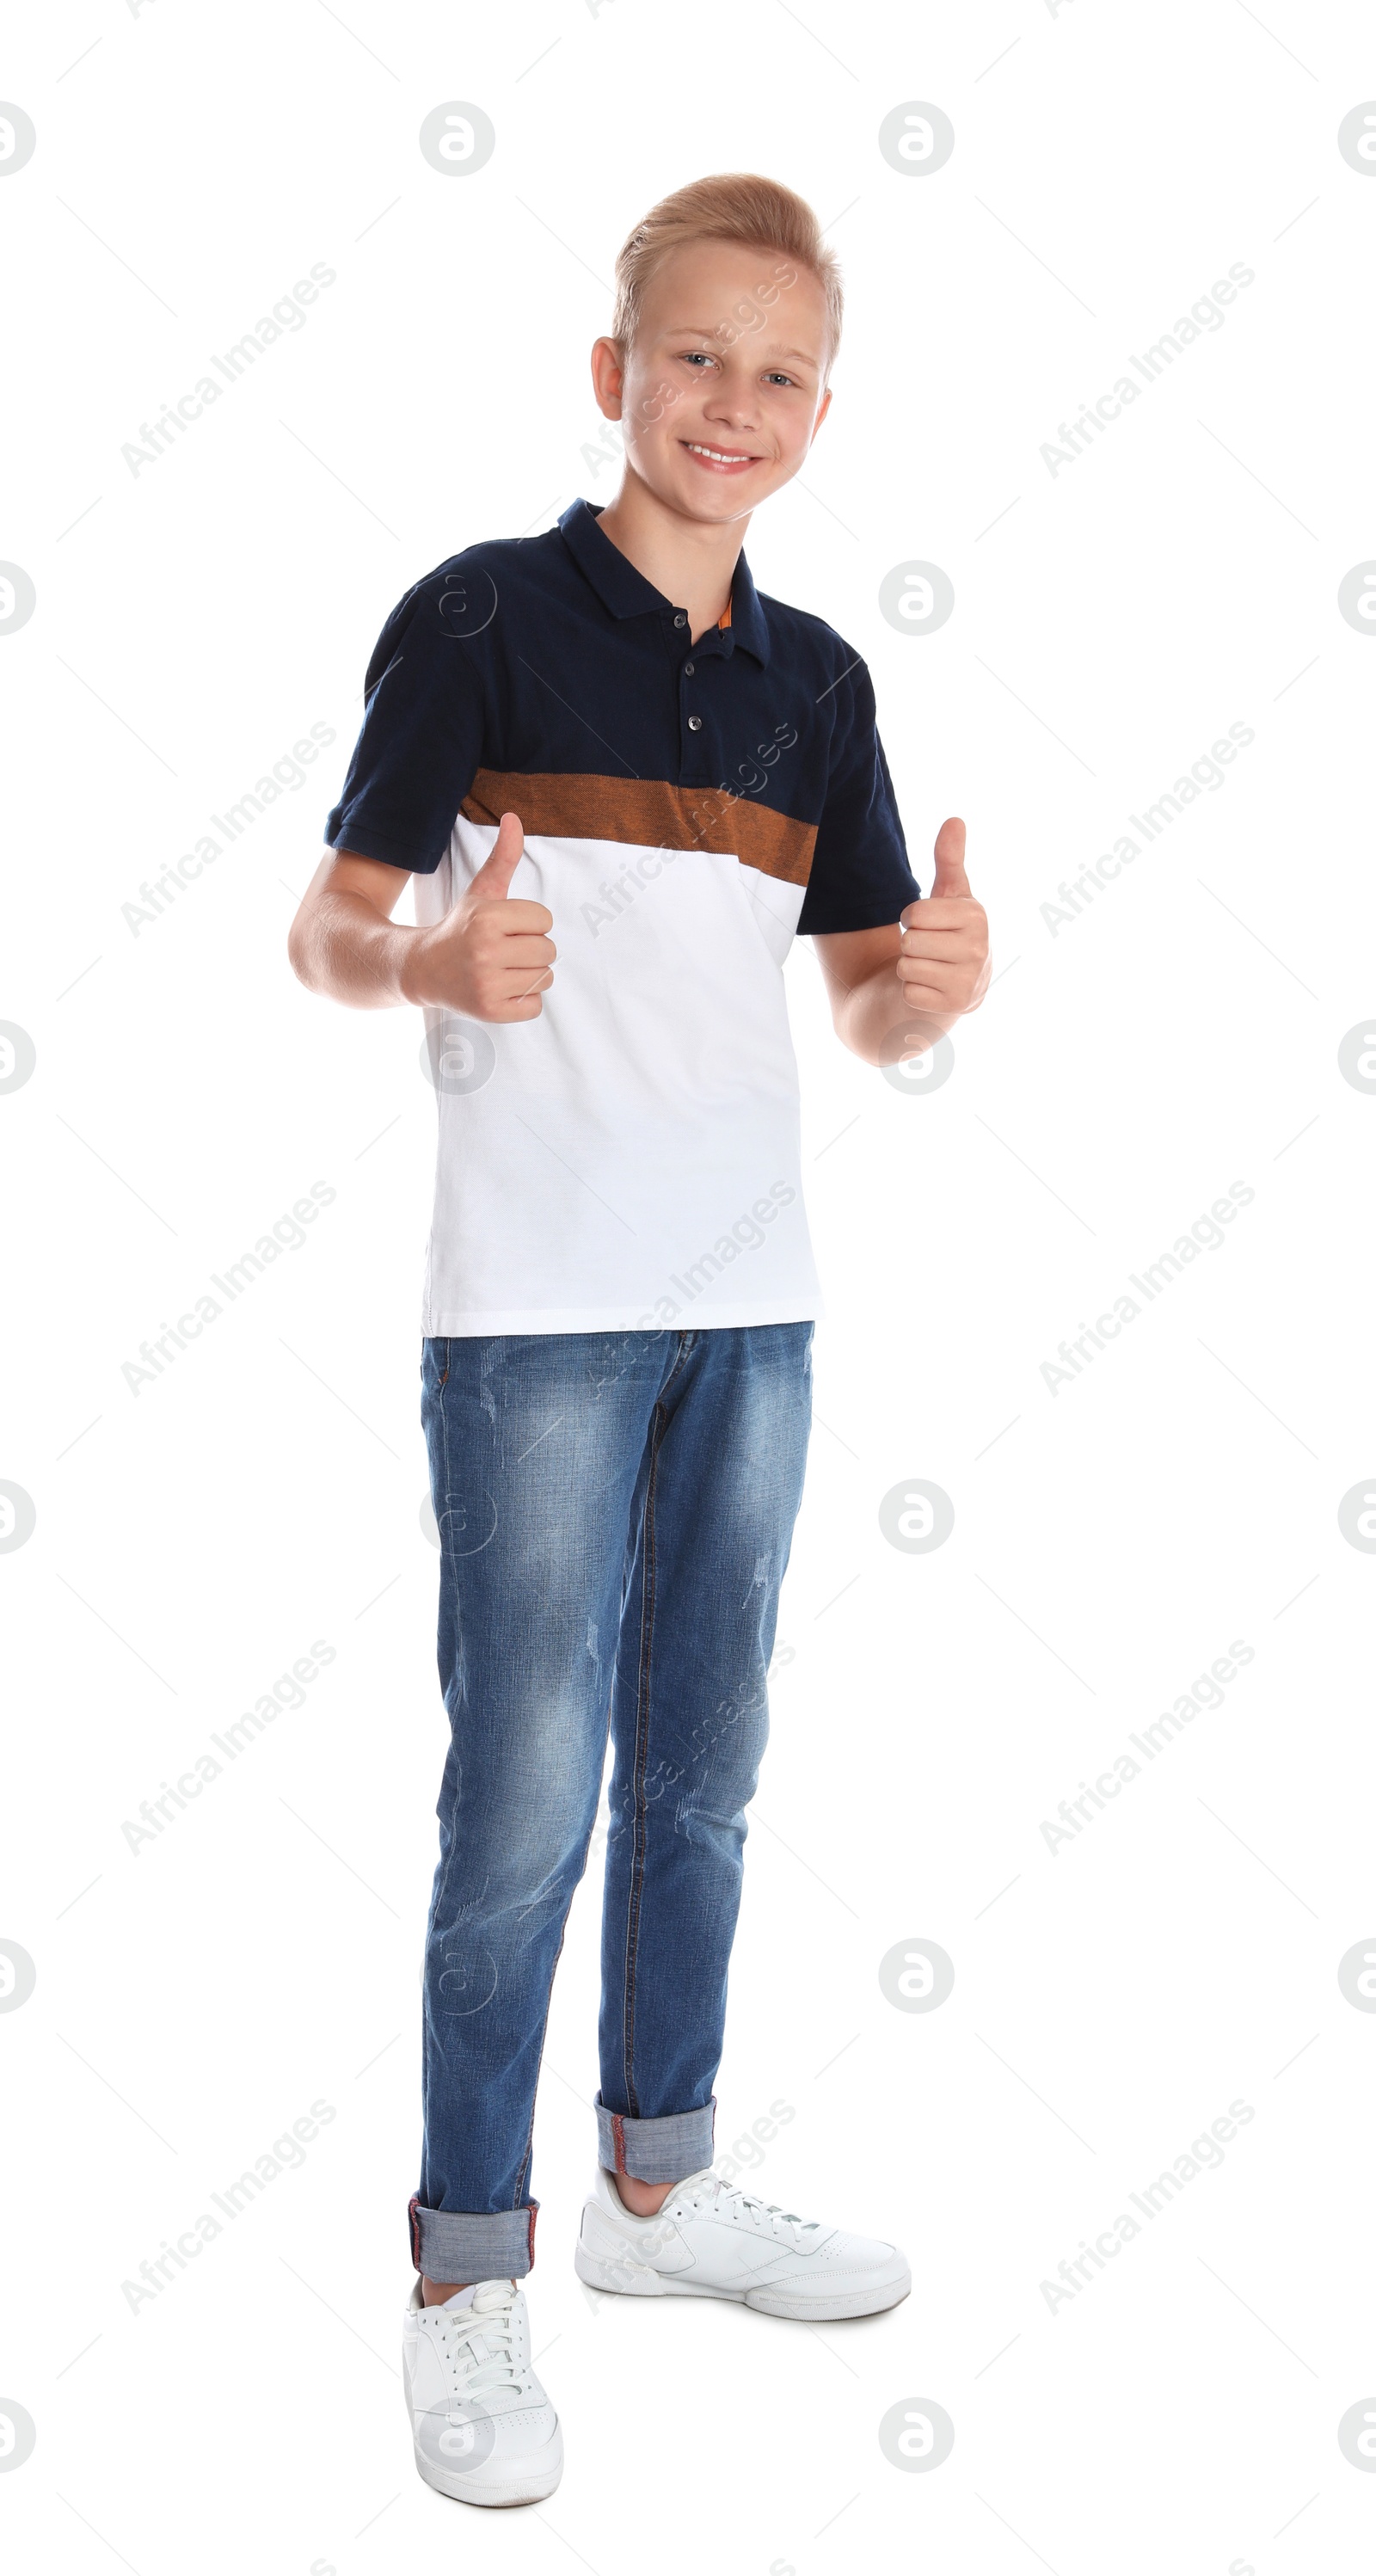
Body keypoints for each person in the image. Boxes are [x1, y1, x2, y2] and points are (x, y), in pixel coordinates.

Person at [287, 171, 990, 2511]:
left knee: (707, 1766)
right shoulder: (483, 622)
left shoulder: (821, 684)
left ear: (821, 414)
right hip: (539, 1320)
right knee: (521, 1798)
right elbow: (328, 927)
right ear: (616, 372)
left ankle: (659, 2191)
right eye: (697, 357)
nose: (737, 405)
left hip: (752, 1311)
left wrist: (937, 982)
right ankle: (466, 2268)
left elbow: (875, 999)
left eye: (783, 374)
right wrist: (425, 972)